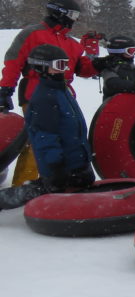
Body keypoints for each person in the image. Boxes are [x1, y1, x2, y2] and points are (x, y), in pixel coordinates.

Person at [0, 0, 97, 185]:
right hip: (35, 92)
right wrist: (5, 88)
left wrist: (100, 65)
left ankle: (63, 180)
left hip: (63, 94)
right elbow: (14, 61)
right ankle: (25, 184)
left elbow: (81, 68)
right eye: (72, 14)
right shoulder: (33, 34)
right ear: (59, 12)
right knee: (37, 140)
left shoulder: (72, 43)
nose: (74, 19)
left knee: (69, 137)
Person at [0, 44, 95, 210]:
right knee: (46, 188)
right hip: (61, 166)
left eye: (66, 64)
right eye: (59, 65)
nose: (64, 69)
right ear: (42, 67)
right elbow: (45, 136)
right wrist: (55, 167)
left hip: (77, 162)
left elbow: (74, 127)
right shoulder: (44, 98)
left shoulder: (62, 90)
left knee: (84, 184)